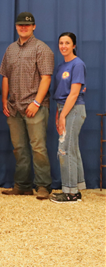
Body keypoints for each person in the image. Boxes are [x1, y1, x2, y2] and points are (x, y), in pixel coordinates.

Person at [0, 12, 54, 200]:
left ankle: (43, 185)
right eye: (20, 25)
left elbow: (46, 78)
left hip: (35, 106)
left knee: (38, 147)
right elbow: (5, 76)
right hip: (14, 107)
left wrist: (37, 102)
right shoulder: (10, 49)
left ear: (34, 27)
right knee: (19, 148)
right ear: (16, 26)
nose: (23, 27)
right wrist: (4, 100)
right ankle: (22, 185)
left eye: (27, 25)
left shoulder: (42, 49)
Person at [50, 32, 87, 203]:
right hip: (63, 108)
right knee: (72, 148)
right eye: (61, 43)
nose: (63, 46)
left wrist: (63, 115)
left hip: (73, 109)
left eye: (67, 43)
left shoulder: (77, 64)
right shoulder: (61, 66)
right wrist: (59, 114)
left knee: (64, 150)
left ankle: (70, 192)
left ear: (74, 45)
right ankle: (77, 187)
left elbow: (74, 93)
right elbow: (59, 94)